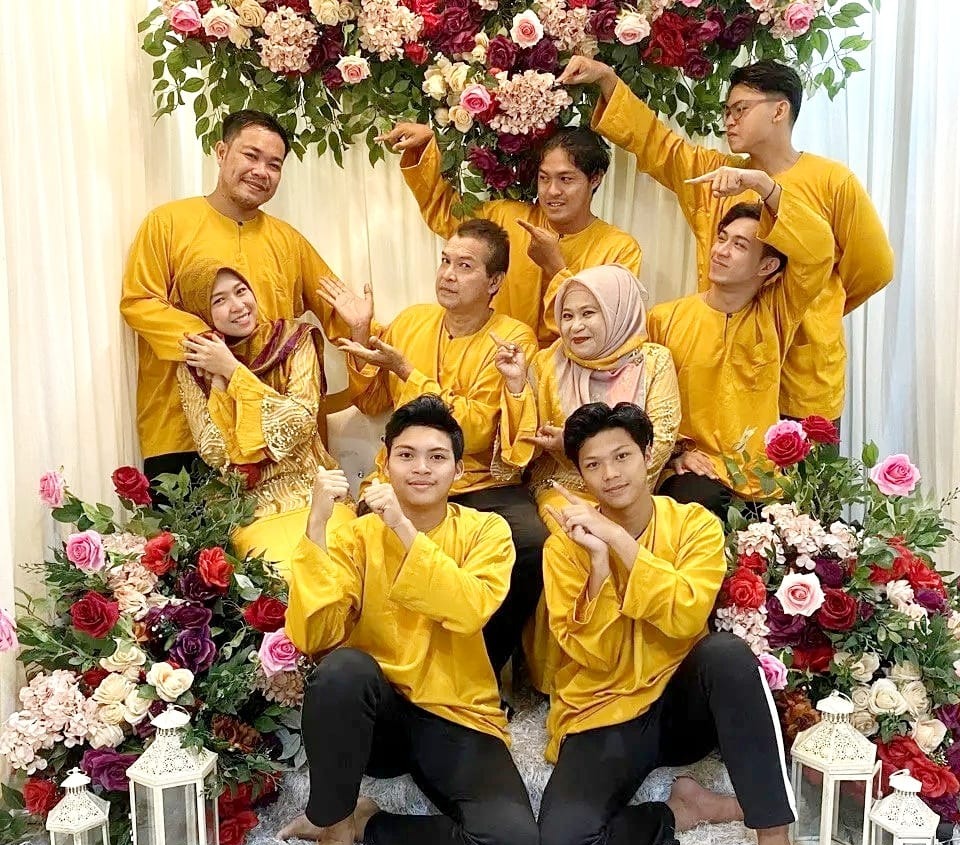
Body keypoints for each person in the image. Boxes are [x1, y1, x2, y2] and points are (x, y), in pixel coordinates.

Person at [536, 401, 840, 845]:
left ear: (647, 455)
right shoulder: (565, 548)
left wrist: (618, 541)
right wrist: (599, 564)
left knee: (726, 654)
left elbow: (684, 615)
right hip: (602, 710)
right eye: (593, 464)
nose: (610, 474)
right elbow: (591, 653)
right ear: (580, 475)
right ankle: (685, 810)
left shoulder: (693, 523)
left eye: (622, 456)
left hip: (680, 707)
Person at [280, 395, 539, 845]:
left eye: (437, 457)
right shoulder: (356, 537)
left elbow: (469, 607)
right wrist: (316, 527)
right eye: (406, 455)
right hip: (381, 720)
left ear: (458, 470)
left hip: (457, 711)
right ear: (386, 461)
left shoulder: (487, 531)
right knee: (342, 671)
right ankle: (333, 831)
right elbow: (315, 636)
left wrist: (401, 527)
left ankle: (366, 824)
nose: (421, 468)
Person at [558, 56, 894, 424]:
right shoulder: (717, 176)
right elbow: (658, 144)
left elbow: (873, 270)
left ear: (779, 110)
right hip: (728, 367)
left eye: (741, 109)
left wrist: (816, 308)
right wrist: (607, 79)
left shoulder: (833, 181)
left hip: (803, 373)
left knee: (801, 462)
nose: (729, 120)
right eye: (727, 111)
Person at [323, 219, 546, 677]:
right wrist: (361, 333)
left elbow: (477, 432)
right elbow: (372, 402)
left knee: (532, 542)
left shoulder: (512, 338)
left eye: (465, 266)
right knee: (367, 533)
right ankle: (392, 668)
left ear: (495, 282)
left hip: (477, 480)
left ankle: (478, 670)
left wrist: (408, 372)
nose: (447, 274)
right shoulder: (411, 322)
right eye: (445, 261)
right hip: (404, 476)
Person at [121, 110, 347, 482]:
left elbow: (339, 310)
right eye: (251, 155)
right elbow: (140, 301)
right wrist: (212, 347)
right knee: (186, 523)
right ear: (222, 152)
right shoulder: (167, 223)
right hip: (181, 431)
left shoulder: (289, 241)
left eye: (274, 165)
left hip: (268, 438)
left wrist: (360, 326)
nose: (261, 171)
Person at [647, 179, 834, 517]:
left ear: (767, 266)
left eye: (739, 245)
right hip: (693, 472)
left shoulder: (776, 313)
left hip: (762, 480)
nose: (720, 251)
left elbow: (819, 251)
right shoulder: (664, 319)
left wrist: (763, 185)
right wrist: (675, 454)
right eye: (722, 238)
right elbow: (642, 400)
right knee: (702, 502)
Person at [378, 122, 641, 346]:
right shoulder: (507, 217)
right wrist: (424, 148)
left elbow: (609, 332)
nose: (552, 191)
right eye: (544, 178)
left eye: (566, 179)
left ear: (595, 179)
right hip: (495, 361)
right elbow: (446, 213)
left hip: (568, 376)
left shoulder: (618, 248)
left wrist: (555, 268)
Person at [175, 260, 352, 578]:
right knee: (280, 577)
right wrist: (218, 385)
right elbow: (215, 452)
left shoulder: (294, 340)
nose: (238, 305)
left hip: (313, 488)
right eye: (219, 300)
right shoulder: (194, 367)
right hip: (249, 508)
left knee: (337, 570)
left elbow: (299, 422)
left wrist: (233, 372)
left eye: (241, 291)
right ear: (200, 312)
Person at [495, 264, 680, 531]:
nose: (575, 326)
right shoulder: (546, 364)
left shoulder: (654, 362)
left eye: (588, 313)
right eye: (567, 315)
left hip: (633, 489)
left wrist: (575, 445)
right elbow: (521, 446)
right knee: (578, 535)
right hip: (565, 487)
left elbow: (660, 439)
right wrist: (516, 385)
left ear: (617, 311)